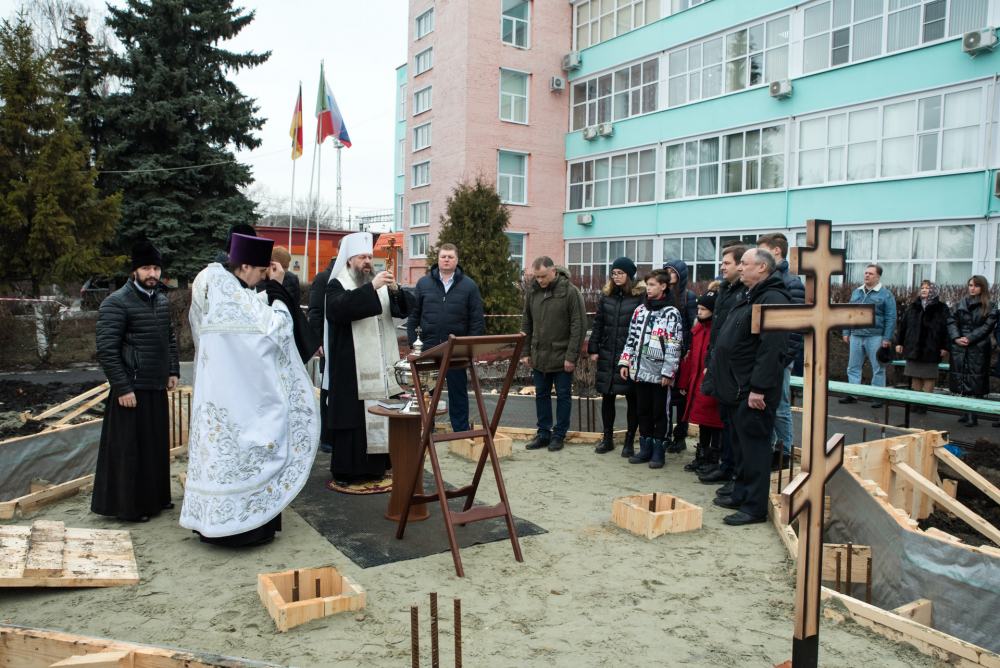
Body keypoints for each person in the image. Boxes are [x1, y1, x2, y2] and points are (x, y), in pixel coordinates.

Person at [182, 233, 319, 547]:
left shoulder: (211, 285)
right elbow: (276, 330)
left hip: (216, 391)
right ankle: (243, 531)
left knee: (216, 454)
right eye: (260, 271)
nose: (262, 278)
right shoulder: (232, 294)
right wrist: (280, 294)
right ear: (244, 266)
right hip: (238, 397)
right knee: (251, 444)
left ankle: (210, 524)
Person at [92, 241, 179, 523]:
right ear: (134, 271)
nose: (152, 273)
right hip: (131, 389)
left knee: (154, 448)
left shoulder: (162, 300)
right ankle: (131, 507)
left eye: (155, 267)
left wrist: (172, 370)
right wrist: (123, 387)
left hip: (155, 386)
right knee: (132, 452)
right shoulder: (116, 302)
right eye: (146, 268)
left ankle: (156, 499)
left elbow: (170, 340)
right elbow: (107, 349)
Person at [705, 248, 790, 525]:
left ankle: (754, 507)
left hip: (752, 391)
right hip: (736, 388)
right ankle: (740, 493)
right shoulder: (750, 294)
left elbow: (772, 348)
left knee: (754, 450)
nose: (739, 268)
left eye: (744, 263)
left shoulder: (774, 298)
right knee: (741, 448)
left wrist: (759, 388)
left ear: (762, 268)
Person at [324, 232, 414, 485]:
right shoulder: (337, 284)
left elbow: (405, 308)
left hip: (380, 361)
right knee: (352, 421)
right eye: (362, 257)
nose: (367, 262)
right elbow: (338, 309)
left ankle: (376, 468)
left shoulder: (379, 283)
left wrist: (395, 290)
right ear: (350, 259)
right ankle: (346, 471)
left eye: (369, 257)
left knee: (379, 413)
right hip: (350, 365)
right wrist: (370, 288)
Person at [407, 243, 485, 434]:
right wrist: (413, 344)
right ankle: (426, 430)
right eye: (443, 256)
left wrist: (471, 348)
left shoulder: (469, 286)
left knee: (458, 393)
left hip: (456, 351)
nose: (446, 260)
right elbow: (413, 315)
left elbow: (476, 320)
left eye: (450, 257)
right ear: (438, 259)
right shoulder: (423, 284)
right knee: (427, 394)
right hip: (429, 349)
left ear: (457, 260)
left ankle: (461, 432)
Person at [618, 269, 684, 469]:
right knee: (643, 410)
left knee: (660, 413)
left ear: (663, 286)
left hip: (659, 375)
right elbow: (632, 338)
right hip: (639, 372)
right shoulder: (640, 310)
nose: (648, 288)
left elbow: (674, 345)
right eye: (647, 284)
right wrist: (625, 361)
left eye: (652, 284)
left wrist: (668, 372)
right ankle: (645, 448)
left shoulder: (671, 313)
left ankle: (658, 451)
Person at [520, 257, 586, 453]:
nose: (539, 280)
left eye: (543, 276)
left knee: (564, 395)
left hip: (562, 356)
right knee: (541, 395)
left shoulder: (570, 292)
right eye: (536, 276)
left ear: (554, 272)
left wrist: (571, 356)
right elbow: (527, 322)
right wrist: (525, 351)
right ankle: (543, 434)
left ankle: (559, 435)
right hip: (539, 355)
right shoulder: (532, 291)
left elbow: (578, 326)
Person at [698, 243, 747, 492]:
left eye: (726, 263)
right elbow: (717, 331)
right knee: (726, 419)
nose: (722, 267)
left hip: (735, 368)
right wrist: (710, 361)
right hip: (719, 363)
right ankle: (726, 466)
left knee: (737, 424)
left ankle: (736, 473)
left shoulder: (745, 292)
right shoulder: (725, 289)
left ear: (741, 265)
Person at [757, 233, 805, 467]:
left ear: (776, 251)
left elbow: (794, 324)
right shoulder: (768, 277)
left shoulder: (791, 281)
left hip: (781, 354)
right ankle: (769, 447)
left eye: (763, 250)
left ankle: (784, 452)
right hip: (765, 353)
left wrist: (785, 357)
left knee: (781, 406)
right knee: (765, 403)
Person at [588, 257, 644, 456]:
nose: (616, 277)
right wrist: (594, 349)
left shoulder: (640, 296)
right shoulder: (606, 296)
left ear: (629, 275)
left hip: (629, 355)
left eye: (620, 273)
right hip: (608, 352)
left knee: (632, 397)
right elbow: (598, 325)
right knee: (607, 395)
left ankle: (629, 441)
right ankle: (608, 438)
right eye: (614, 273)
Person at [678, 289, 724, 473]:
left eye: (704, 309)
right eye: (699, 308)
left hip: (711, 385)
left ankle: (712, 458)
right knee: (702, 423)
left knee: (715, 424)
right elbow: (689, 358)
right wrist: (683, 382)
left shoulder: (717, 332)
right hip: (697, 384)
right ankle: (701, 455)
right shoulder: (697, 331)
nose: (700, 312)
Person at [840, 264, 896, 408]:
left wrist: (887, 338)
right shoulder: (856, 293)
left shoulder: (886, 295)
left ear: (878, 277)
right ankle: (852, 393)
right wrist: (846, 332)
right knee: (853, 366)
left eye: (870, 273)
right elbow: (849, 314)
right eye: (866, 273)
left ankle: (877, 396)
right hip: (856, 335)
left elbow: (891, 318)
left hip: (875, 336)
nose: (867, 275)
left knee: (878, 368)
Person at [948, 275, 998, 427]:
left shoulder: (990, 305)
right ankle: (964, 411)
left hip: (978, 346)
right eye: (970, 285)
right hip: (960, 346)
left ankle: (972, 415)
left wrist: (969, 338)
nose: (972, 288)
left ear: (982, 287)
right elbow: (952, 321)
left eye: (975, 285)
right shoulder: (960, 303)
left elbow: (988, 326)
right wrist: (957, 338)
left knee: (975, 380)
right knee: (961, 377)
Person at [895, 280, 948, 414]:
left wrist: (945, 346)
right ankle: (917, 401)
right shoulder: (913, 306)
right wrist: (899, 342)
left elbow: (946, 329)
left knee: (929, 375)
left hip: (932, 346)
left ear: (934, 291)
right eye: (922, 288)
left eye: (927, 288)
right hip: (913, 345)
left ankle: (925, 402)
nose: (924, 290)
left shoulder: (941, 308)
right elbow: (904, 326)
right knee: (915, 374)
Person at [662, 260, 698, 454]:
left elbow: (693, 325)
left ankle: (680, 436)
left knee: (682, 397)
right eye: (666, 270)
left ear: (681, 274)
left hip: (683, 355)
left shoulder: (687, 296)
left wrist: (689, 349)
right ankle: (665, 435)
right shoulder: (664, 294)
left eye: (672, 271)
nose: (669, 274)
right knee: (666, 396)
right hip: (664, 352)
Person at [309, 258, 335, 453]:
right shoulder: (323, 278)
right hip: (328, 342)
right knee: (327, 387)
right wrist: (317, 340)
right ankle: (326, 437)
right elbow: (316, 310)